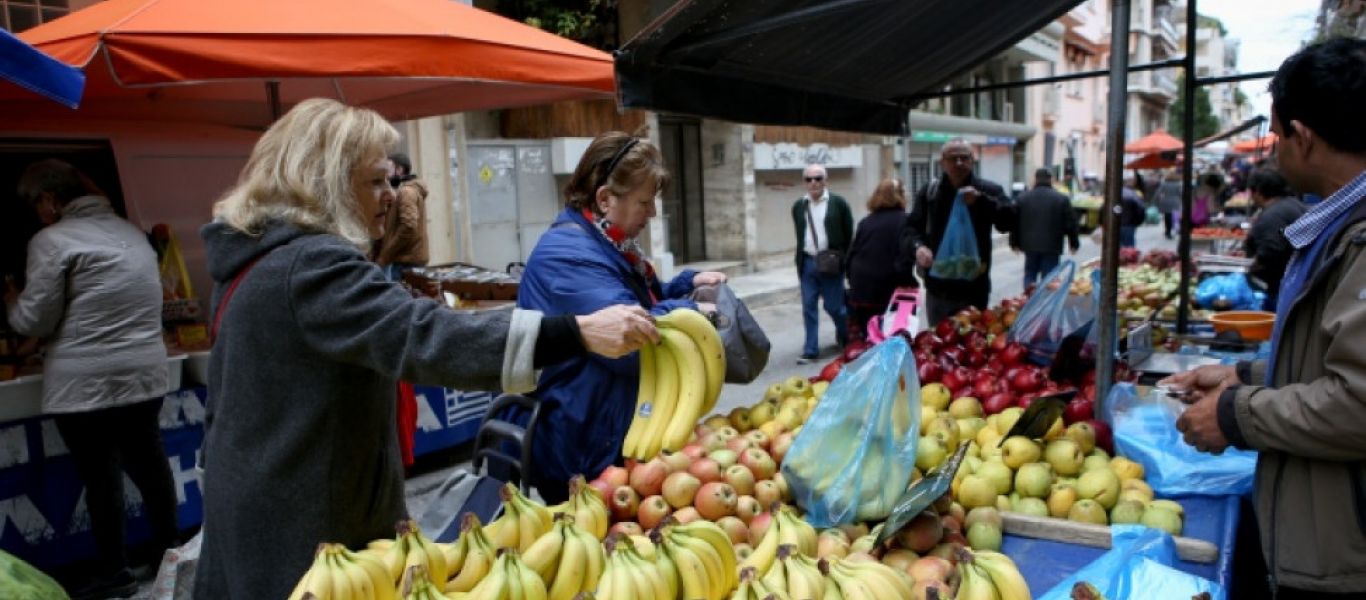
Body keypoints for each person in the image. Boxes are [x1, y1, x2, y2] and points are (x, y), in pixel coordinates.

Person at [193, 100, 656, 599]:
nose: (392, 196)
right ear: (324, 181)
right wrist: (575, 332)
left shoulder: (258, 259)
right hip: (302, 530)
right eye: (376, 181)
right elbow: (426, 335)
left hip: (257, 505)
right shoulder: (309, 266)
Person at [1162, 38, 1366, 599]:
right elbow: (1332, 356)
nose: (1274, 151)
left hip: (1348, 554)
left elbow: (1358, 403)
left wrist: (1236, 413)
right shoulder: (1335, 229)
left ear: (1303, 137)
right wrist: (1249, 375)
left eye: (1277, 135)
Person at [517, 131, 727, 503]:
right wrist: (690, 311)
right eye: (645, 202)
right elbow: (630, 339)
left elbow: (642, 298)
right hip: (581, 441)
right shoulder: (566, 255)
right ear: (604, 199)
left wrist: (684, 283)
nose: (652, 213)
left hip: (608, 429)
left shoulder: (606, 241)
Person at [3, 160, 179, 600]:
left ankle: (115, 571)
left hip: (86, 385)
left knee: (102, 479)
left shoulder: (51, 240)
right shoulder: (130, 232)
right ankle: (168, 555)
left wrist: (11, 304)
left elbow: (36, 318)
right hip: (145, 375)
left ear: (48, 200)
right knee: (151, 467)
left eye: (35, 205)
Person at [900, 140, 1014, 326]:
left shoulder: (988, 190)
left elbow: (1008, 221)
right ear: (942, 163)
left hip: (974, 290)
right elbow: (910, 230)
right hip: (939, 291)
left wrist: (982, 202)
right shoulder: (931, 193)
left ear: (972, 160)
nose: (959, 163)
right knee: (938, 343)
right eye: (953, 158)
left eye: (964, 158)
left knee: (973, 344)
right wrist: (918, 248)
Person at [791, 163, 853, 362]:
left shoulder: (838, 203)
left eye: (818, 178)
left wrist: (845, 260)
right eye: (809, 179)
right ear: (804, 183)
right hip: (808, 262)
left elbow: (848, 233)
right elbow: (800, 235)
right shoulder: (799, 206)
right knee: (808, 306)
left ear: (826, 181)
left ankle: (846, 336)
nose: (814, 183)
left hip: (831, 262)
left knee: (835, 307)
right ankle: (811, 350)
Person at [845, 179, 917, 342]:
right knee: (895, 336)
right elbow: (904, 257)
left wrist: (853, 282)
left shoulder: (866, 222)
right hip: (889, 289)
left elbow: (852, 254)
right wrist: (909, 284)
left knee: (868, 336)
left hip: (862, 289)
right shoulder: (906, 220)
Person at [1243, 167, 1306, 309]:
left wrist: (1256, 264)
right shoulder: (1293, 205)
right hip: (1296, 281)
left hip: (1282, 286)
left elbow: (1271, 249)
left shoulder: (1272, 215)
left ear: (1258, 192)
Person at [1012, 167, 1079, 289]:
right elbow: (1070, 223)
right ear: (1051, 180)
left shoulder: (1022, 198)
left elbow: (1014, 222)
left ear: (1035, 179)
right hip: (1052, 246)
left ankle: (1028, 300)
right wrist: (1073, 243)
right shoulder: (1061, 199)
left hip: (1029, 245)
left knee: (1030, 274)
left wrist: (1014, 242)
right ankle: (1046, 304)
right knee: (1050, 277)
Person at [376, 153, 429, 280]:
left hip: (404, 261)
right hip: (405, 259)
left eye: (388, 169)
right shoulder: (403, 190)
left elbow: (409, 226)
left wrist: (386, 254)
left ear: (399, 170)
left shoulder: (406, 192)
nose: (386, 174)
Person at [1119, 176, 1147, 249]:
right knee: (1129, 247)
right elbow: (1141, 210)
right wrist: (1137, 222)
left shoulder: (1114, 194)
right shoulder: (1136, 195)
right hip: (1129, 224)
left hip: (1116, 224)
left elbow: (1103, 208)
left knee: (1117, 246)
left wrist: (1102, 223)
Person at [1156, 169, 1183, 239]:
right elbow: (1181, 194)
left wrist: (1157, 201)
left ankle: (1167, 231)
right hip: (1175, 201)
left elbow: (1158, 193)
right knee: (1175, 217)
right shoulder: (1178, 184)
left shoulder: (1164, 184)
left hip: (1165, 201)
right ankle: (1176, 229)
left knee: (1166, 217)